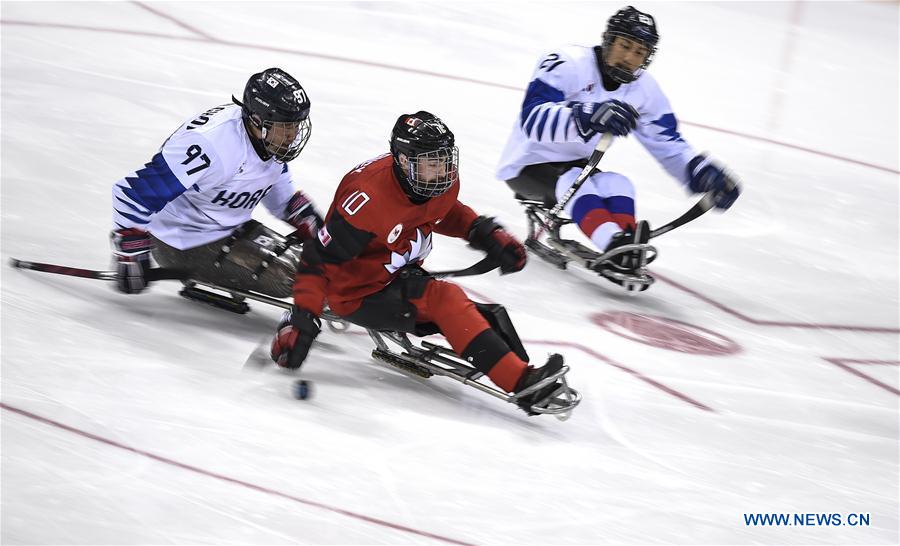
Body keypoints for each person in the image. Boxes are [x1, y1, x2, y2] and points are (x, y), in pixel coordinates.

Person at [270, 111, 568, 413]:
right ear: (403, 161)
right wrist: (302, 320)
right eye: (432, 163)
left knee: (490, 317)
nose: (443, 171)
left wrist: (482, 231)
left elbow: (442, 210)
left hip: (397, 273)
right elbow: (320, 261)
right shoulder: (367, 199)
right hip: (357, 292)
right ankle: (523, 384)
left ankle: (522, 370)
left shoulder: (434, 181)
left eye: (445, 160)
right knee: (445, 298)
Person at [496, 5, 741, 286]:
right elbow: (533, 117)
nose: (629, 58)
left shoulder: (643, 90)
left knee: (619, 183)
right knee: (577, 181)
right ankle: (613, 244)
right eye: (625, 45)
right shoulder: (567, 62)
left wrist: (702, 173)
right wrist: (586, 115)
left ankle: (625, 244)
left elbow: (667, 142)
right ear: (608, 39)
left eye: (639, 52)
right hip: (526, 164)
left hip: (577, 167)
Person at [110, 67, 324, 299]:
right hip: (181, 242)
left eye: (296, 126)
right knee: (294, 279)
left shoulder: (267, 140)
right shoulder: (211, 145)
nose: (293, 135)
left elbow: (279, 194)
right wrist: (131, 251)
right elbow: (134, 194)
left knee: (317, 268)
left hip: (231, 228)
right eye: (286, 126)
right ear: (258, 120)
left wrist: (313, 224)